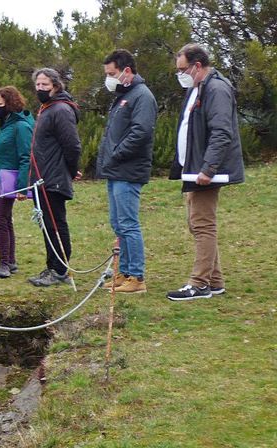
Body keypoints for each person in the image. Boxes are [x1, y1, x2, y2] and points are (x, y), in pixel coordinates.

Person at [166, 43, 245, 301]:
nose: (180, 75)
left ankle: (199, 283)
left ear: (197, 66)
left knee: (202, 225)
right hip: (194, 169)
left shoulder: (216, 88)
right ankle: (215, 280)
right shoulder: (197, 87)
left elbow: (222, 132)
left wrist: (208, 167)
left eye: (182, 69)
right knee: (197, 223)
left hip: (206, 171)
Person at [96, 49, 157, 294]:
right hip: (115, 170)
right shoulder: (123, 96)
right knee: (118, 223)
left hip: (128, 170)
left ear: (126, 71)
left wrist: (116, 154)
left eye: (112, 73)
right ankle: (124, 272)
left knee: (129, 224)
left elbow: (140, 133)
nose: (109, 78)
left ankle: (137, 277)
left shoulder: (141, 96)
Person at [28, 68, 82, 287]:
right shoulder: (45, 109)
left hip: (54, 177)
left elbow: (72, 145)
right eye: (38, 85)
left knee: (56, 224)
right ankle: (51, 266)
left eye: (45, 85)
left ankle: (60, 270)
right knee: (46, 225)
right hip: (41, 177)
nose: (40, 89)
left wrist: (70, 169)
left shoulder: (60, 109)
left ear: (56, 86)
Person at [0, 86, 34, 278]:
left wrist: (22, 186)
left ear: (10, 104)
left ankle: (4, 263)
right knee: (5, 219)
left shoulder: (21, 126)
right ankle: (11, 261)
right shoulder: (5, 125)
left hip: (11, 181)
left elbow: (26, 157)